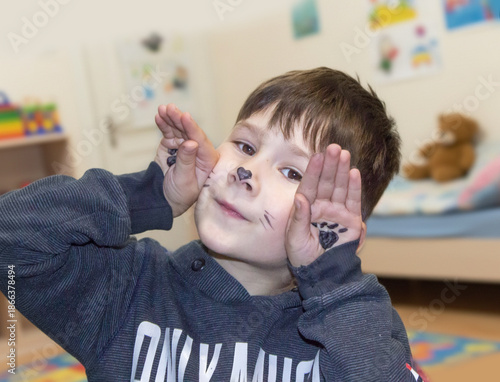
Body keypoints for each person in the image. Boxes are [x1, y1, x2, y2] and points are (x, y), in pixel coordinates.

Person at [0, 67, 423, 381]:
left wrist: (334, 282)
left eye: (292, 172)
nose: (246, 171)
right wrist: (149, 195)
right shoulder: (128, 287)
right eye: (244, 145)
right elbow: (9, 235)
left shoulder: (351, 329)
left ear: (340, 229)